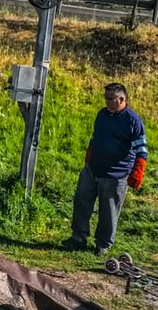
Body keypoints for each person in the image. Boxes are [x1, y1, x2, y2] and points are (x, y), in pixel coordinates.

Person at [63, 83, 148, 256]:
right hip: (93, 169)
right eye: (106, 98)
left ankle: (103, 244)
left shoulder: (133, 121)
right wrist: (89, 156)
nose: (107, 102)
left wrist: (138, 170)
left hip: (116, 174)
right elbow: (95, 137)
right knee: (81, 201)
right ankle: (78, 237)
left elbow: (142, 148)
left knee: (108, 210)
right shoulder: (102, 114)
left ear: (122, 99)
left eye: (111, 99)